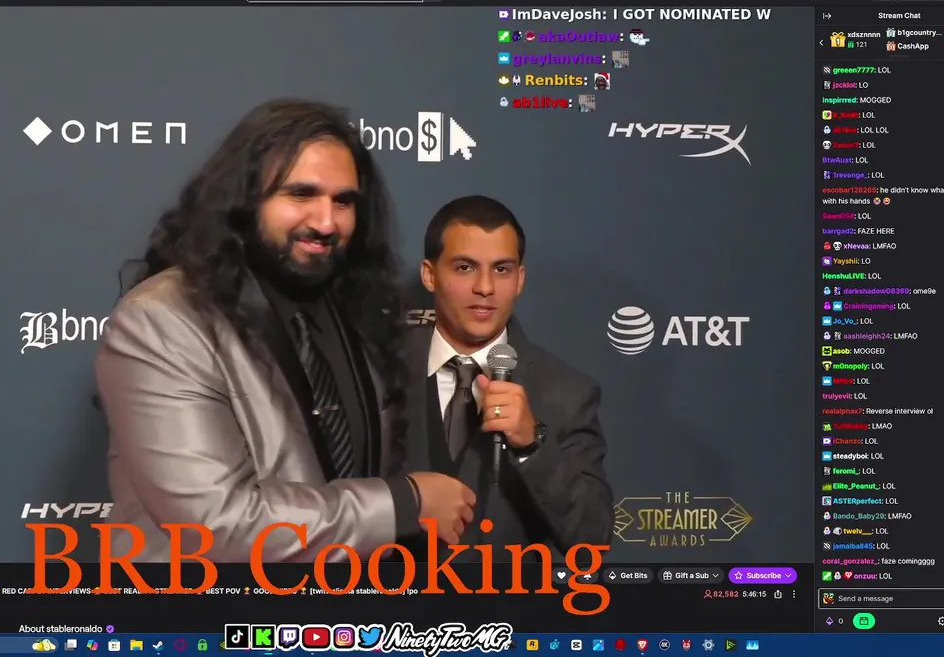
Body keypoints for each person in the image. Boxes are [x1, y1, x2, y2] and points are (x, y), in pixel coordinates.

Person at [95, 99, 475, 563]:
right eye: (300, 194)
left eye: (343, 201)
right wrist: (404, 504)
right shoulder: (163, 319)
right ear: (245, 198)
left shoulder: (351, 304)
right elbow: (216, 523)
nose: (326, 222)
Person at [397, 196, 612, 563]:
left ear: (520, 279)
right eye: (465, 267)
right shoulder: (377, 370)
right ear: (429, 275)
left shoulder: (566, 392)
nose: (485, 287)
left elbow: (592, 537)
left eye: (501, 269)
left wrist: (532, 445)